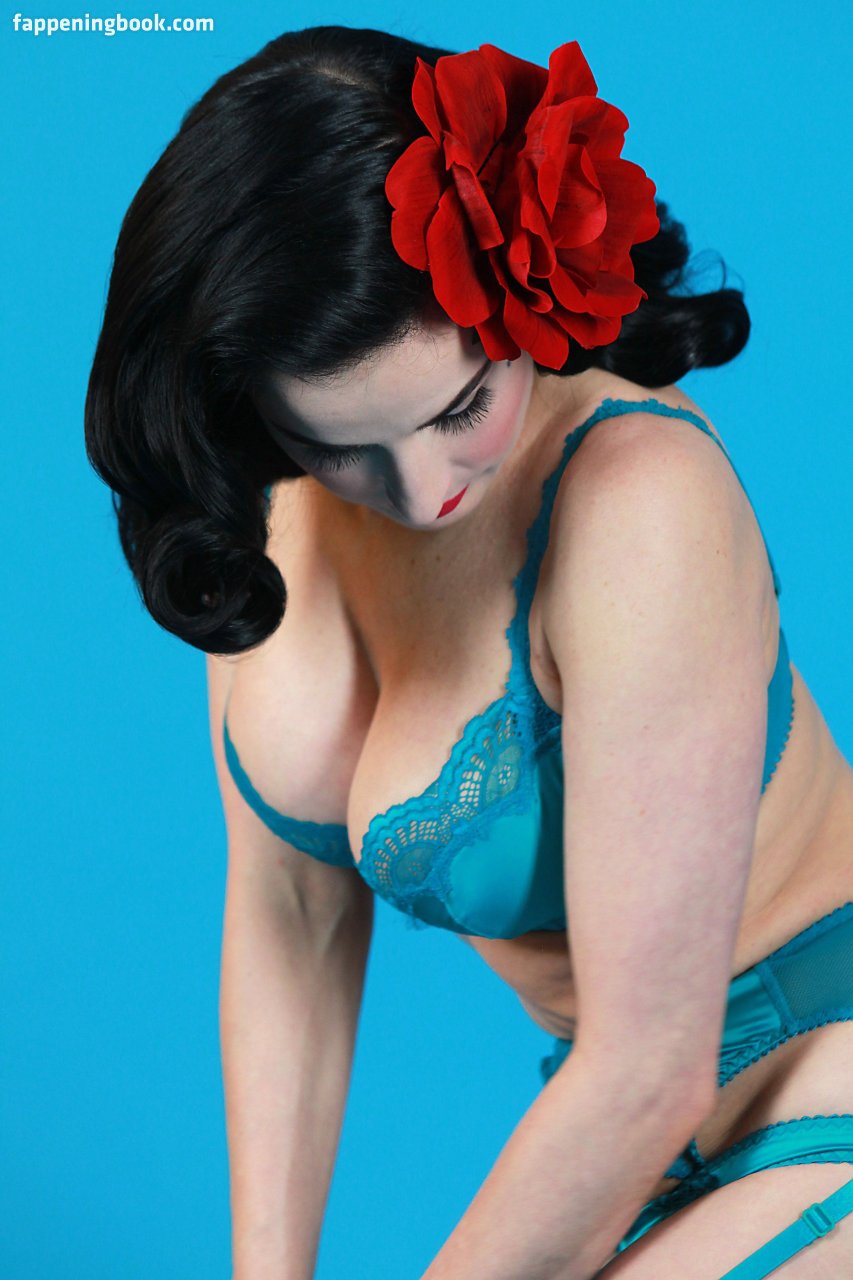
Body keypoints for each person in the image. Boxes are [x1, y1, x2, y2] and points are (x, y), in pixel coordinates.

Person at [83, 23, 853, 1280]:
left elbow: (648, 1063)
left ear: (519, 305)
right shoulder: (266, 522)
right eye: (339, 445)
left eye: (460, 407)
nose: (421, 488)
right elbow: (288, 918)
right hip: (634, 1136)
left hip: (818, 1069)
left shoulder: (635, 499)